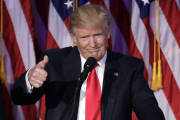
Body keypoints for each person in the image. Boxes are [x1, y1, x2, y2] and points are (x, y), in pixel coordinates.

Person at [11, 4, 165, 120]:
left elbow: (149, 111)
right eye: (85, 37)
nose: (93, 44)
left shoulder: (129, 67)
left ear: (108, 33)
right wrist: (29, 80)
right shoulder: (54, 62)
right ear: (74, 38)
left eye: (98, 35)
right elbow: (20, 98)